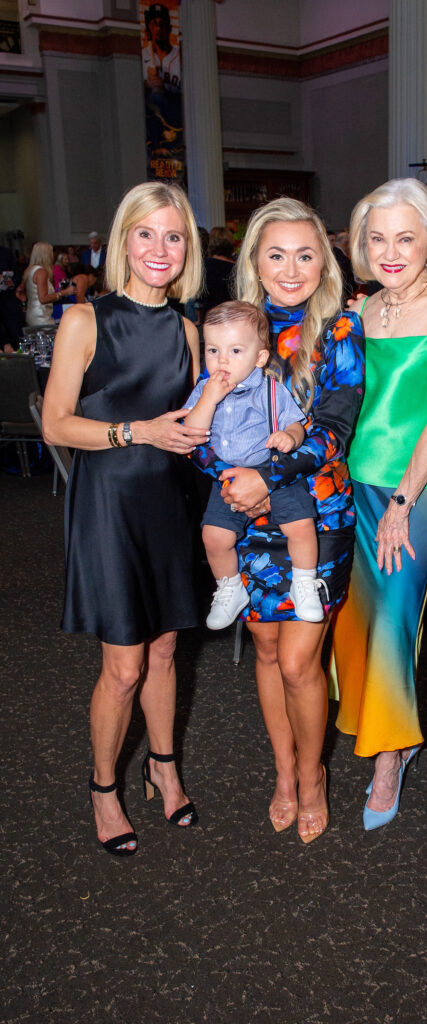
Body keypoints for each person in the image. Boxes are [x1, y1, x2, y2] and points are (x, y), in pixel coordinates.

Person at [42, 182, 207, 857]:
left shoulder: (190, 330)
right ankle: (104, 786)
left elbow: (198, 424)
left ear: (187, 247)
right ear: (123, 242)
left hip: (171, 501)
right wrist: (135, 431)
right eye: (146, 234)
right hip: (109, 506)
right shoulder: (86, 320)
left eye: (173, 236)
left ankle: (162, 767)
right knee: (124, 666)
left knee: (166, 650)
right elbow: (56, 424)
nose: (159, 249)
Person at [330, 178, 427, 830]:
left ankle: (390, 755)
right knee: (355, 619)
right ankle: (378, 725)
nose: (391, 251)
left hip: (412, 494)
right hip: (349, 488)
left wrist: (400, 500)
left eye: (405, 238)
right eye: (378, 238)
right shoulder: (362, 310)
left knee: (393, 618)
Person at [222, 197, 364, 843]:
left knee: (302, 659)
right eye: (275, 253)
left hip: (321, 513)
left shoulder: (337, 331)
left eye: (305, 254)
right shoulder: (231, 329)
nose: (290, 267)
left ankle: (313, 777)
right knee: (268, 647)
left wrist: (267, 475)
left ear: (324, 262)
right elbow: (211, 415)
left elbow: (334, 427)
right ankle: (283, 772)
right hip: (248, 515)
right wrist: (224, 477)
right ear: (254, 258)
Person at [184, 300, 325, 627]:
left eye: (235, 351)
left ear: (260, 357)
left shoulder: (271, 390)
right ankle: (230, 587)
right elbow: (192, 433)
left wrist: (290, 437)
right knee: (213, 537)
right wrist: (208, 398)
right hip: (229, 481)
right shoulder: (204, 390)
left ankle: (305, 583)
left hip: (276, 474)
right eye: (213, 350)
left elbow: (297, 423)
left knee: (301, 527)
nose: (221, 361)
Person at [20, 242, 75, 327]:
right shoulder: (41, 272)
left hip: (32, 314)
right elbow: (43, 298)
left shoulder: (30, 270)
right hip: (41, 316)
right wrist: (64, 292)